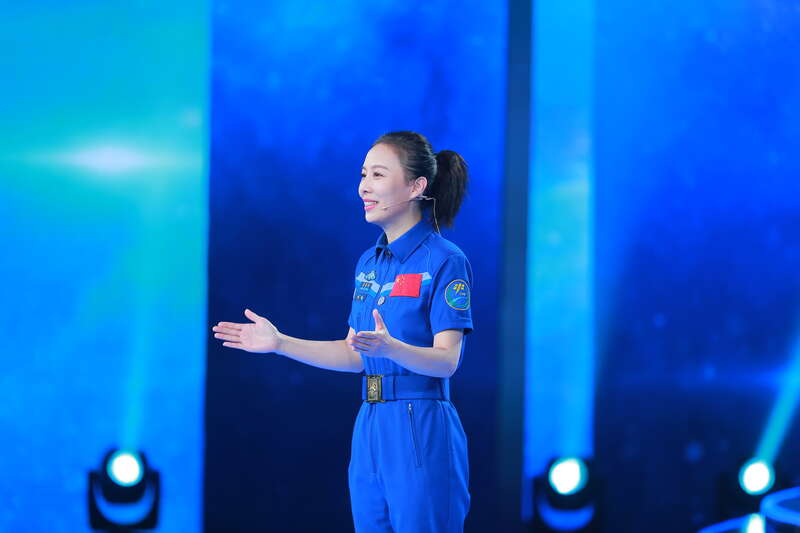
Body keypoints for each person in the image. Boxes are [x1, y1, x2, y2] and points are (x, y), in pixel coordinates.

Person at [212, 131, 474, 532]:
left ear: (416, 186)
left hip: (419, 422)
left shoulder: (444, 260)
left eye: (378, 175)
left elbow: (447, 361)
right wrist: (280, 343)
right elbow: (355, 354)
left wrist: (392, 348)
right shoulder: (369, 262)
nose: (364, 187)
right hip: (369, 421)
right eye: (363, 174)